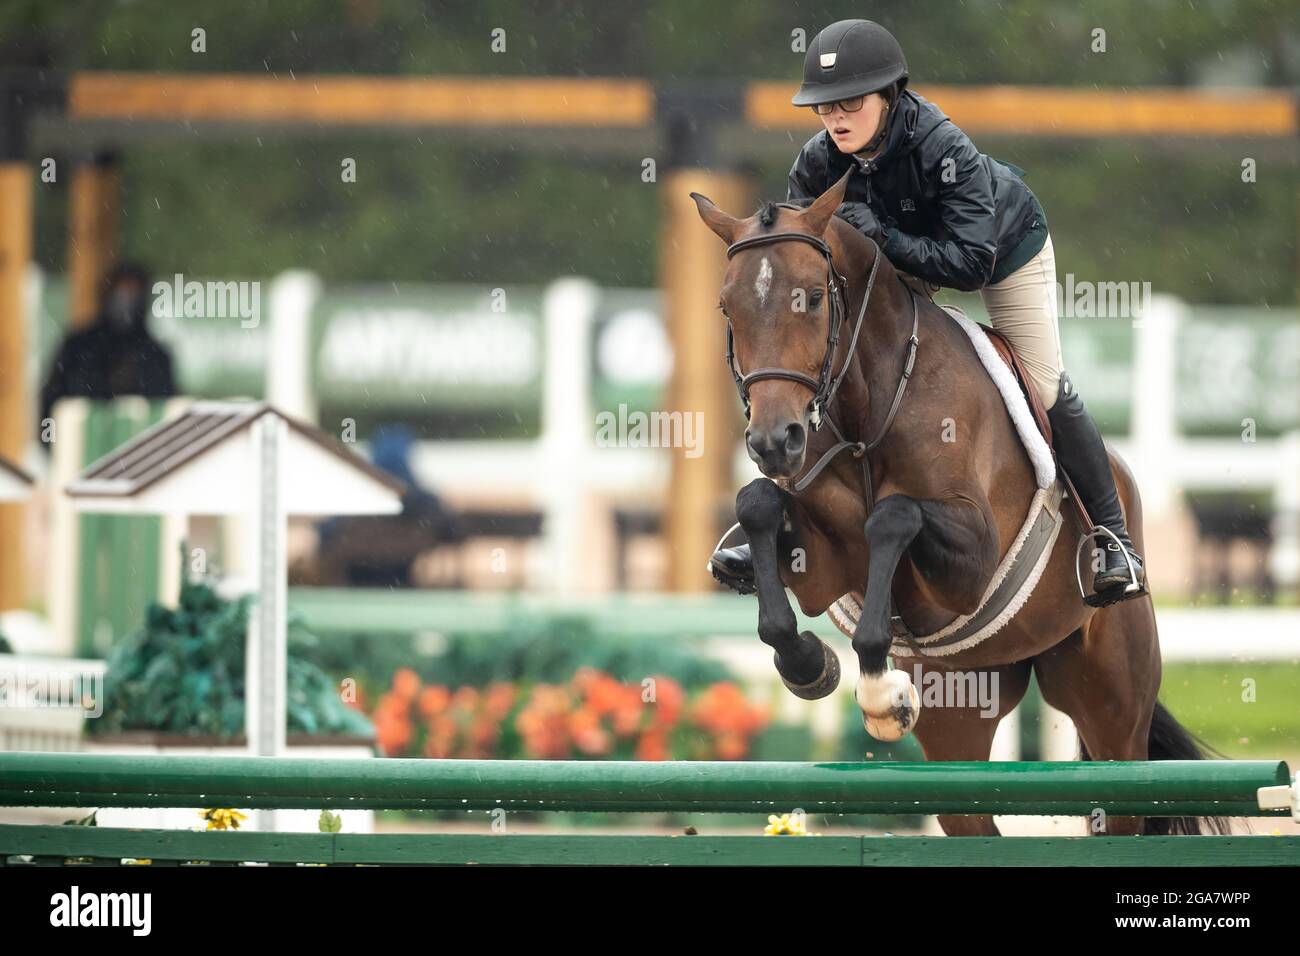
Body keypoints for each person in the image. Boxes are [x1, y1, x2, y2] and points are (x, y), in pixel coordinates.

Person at [709, 18, 1145, 605]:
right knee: (830, 369)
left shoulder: (942, 147)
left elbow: (969, 264)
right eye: (823, 108)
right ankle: (778, 512)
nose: (835, 119)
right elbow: (799, 267)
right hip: (899, 266)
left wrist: (883, 237)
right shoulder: (817, 165)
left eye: (850, 103)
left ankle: (1112, 539)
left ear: (889, 95)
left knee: (1041, 382)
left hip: (999, 251)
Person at [38, 262, 177, 438]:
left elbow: (166, 414)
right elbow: (51, 405)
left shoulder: (156, 356)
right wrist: (57, 447)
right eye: (120, 293)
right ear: (107, 294)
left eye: (133, 294)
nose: (125, 302)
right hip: (81, 453)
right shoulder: (77, 347)